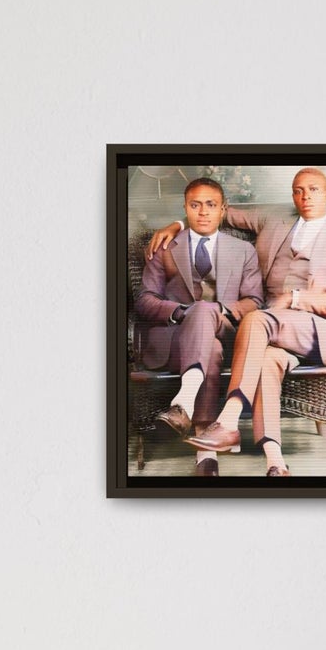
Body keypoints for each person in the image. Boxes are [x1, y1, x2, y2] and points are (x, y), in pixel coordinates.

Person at [145, 167, 326, 476]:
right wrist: (178, 223)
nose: (306, 196)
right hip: (271, 333)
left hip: (309, 327)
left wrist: (296, 298)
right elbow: (218, 211)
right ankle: (275, 460)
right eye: (299, 190)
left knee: (257, 319)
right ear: (292, 195)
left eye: (314, 189)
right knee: (267, 361)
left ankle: (229, 421)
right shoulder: (274, 218)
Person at [135, 177, 263, 476]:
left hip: (226, 328)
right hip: (175, 340)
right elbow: (144, 301)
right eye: (195, 205)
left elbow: (254, 301)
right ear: (185, 208)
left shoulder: (243, 251)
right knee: (212, 348)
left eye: (210, 205)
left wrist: (218, 310)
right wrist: (183, 312)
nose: (203, 212)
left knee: (210, 321)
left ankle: (183, 405)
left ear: (223, 210)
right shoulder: (165, 247)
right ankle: (206, 453)